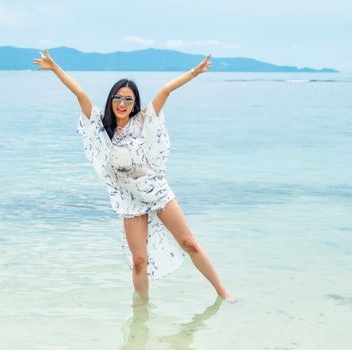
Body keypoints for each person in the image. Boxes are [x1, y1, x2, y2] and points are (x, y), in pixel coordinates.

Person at [33, 49, 237, 306]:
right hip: (128, 198)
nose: (122, 103)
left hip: (155, 189)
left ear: (134, 104)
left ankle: (221, 291)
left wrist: (195, 73)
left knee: (189, 242)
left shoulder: (142, 122)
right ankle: (141, 310)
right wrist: (55, 68)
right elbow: (80, 94)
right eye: (117, 98)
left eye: (128, 99)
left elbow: (165, 91)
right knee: (140, 260)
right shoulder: (100, 126)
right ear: (111, 100)